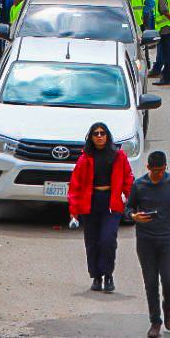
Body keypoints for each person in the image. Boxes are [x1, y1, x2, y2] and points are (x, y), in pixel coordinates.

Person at [127, 150, 170, 338]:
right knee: (151, 282)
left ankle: (168, 307)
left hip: (166, 239)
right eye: (156, 171)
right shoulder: (139, 185)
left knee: (169, 279)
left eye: (162, 170)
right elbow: (128, 208)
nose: (160, 174)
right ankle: (155, 321)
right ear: (148, 168)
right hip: (146, 240)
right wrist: (134, 216)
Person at [68, 122, 133, 293]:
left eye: (102, 133)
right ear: (91, 137)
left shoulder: (118, 156)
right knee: (92, 242)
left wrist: (130, 201)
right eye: (95, 133)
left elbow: (128, 179)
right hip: (90, 203)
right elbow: (75, 186)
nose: (99, 136)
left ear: (107, 135)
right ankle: (96, 276)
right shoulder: (84, 158)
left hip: (111, 203)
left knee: (108, 240)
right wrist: (74, 212)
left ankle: (108, 274)